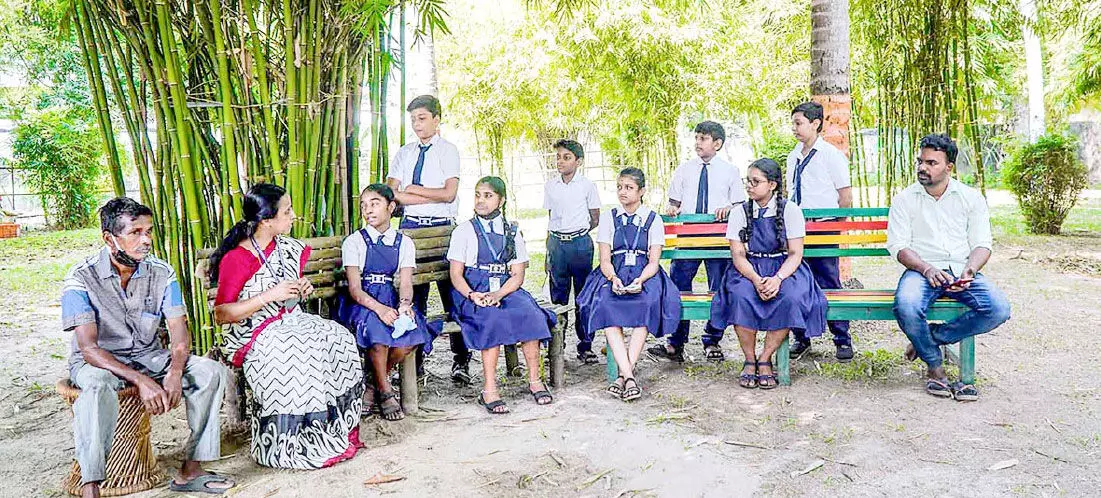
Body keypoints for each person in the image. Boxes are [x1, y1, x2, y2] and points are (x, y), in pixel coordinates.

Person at [62, 198, 233, 497]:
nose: (146, 240)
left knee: (210, 372)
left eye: (149, 231)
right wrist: (141, 381)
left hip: (148, 356)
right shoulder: (80, 278)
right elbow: (88, 348)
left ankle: (190, 471)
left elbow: (180, 330)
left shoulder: (162, 273)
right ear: (109, 238)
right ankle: (91, 487)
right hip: (100, 363)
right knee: (98, 386)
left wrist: (175, 371)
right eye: (136, 232)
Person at [211, 183, 362, 469]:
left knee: (337, 337)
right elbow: (222, 314)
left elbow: (288, 293)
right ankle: (288, 442)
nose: (294, 216)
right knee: (297, 350)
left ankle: (328, 432)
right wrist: (271, 295)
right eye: (287, 211)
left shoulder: (285, 248)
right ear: (266, 220)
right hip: (252, 333)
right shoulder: (237, 258)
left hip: (289, 321)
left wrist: (300, 288)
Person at [887, 134, 1011, 401]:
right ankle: (935, 366)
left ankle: (929, 338)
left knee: (999, 309)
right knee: (906, 305)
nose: (922, 167)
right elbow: (898, 246)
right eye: (920, 161)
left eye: (931, 163)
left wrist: (970, 270)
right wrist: (926, 268)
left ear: (949, 167)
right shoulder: (904, 199)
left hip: (960, 269)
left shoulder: (970, 198)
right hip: (921, 271)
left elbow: (982, 244)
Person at [709, 159, 828, 389]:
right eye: (748, 181)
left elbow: (795, 254)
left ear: (772, 184)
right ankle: (750, 359)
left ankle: (765, 358)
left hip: (783, 269)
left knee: (790, 297)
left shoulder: (790, 211)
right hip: (749, 269)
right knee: (740, 296)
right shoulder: (740, 213)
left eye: (756, 182)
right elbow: (738, 255)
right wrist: (755, 279)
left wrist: (777, 279)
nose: (750, 186)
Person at [447, 176, 557, 414]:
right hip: (472, 290)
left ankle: (535, 380)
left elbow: (517, 275)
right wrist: (473, 295)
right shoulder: (464, 231)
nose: (481, 201)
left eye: (488, 196)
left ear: (501, 200)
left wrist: (499, 293)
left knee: (531, 314)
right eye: (477, 195)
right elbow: (456, 275)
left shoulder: (512, 231)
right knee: (491, 318)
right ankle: (489, 389)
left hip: (505, 288)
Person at [386, 95, 471, 384]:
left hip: (443, 230)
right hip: (411, 228)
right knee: (413, 296)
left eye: (422, 118)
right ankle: (416, 362)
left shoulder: (448, 151)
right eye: (412, 119)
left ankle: (461, 362)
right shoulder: (405, 153)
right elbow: (391, 193)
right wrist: (419, 193)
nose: (416, 124)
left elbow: (449, 194)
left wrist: (414, 190)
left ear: (437, 119)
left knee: (453, 296)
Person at [578, 168, 681, 401]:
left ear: (641, 191)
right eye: (620, 187)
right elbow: (604, 259)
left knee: (646, 302)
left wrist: (640, 280)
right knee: (605, 303)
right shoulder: (608, 217)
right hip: (615, 270)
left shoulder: (652, 220)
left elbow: (654, 261)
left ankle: (623, 377)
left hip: (644, 272)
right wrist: (613, 278)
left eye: (629, 187)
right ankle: (629, 377)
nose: (622, 192)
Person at [335, 184, 437, 421]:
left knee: (408, 339)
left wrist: (404, 305)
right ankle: (387, 393)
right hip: (362, 303)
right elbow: (355, 289)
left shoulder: (404, 242)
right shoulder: (355, 242)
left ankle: (372, 384)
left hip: (390, 299)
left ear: (391, 207)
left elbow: (406, 282)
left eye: (375, 203)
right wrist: (379, 309)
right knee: (378, 339)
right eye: (364, 205)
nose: (368, 210)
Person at [649, 121, 745, 363]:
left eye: (703, 138)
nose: (698, 143)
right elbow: (675, 203)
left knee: (718, 288)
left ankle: (712, 340)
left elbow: (740, 205)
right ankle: (675, 343)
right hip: (689, 235)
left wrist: (729, 208)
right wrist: (671, 209)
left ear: (717, 143)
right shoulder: (684, 169)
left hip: (718, 235)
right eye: (697, 138)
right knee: (679, 286)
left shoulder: (730, 171)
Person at [785, 101, 855, 361]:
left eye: (799, 123)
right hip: (797, 228)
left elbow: (844, 196)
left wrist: (833, 224)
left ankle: (842, 338)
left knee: (828, 280)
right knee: (796, 280)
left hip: (824, 226)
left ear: (815, 124)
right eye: (793, 123)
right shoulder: (794, 156)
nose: (794, 128)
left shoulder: (830, 155)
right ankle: (801, 338)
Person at [543, 139, 601, 363]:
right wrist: (549, 248)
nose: (560, 161)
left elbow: (595, 216)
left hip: (580, 245)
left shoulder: (587, 186)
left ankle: (585, 345)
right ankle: (557, 346)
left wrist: (578, 232)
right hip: (557, 245)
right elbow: (551, 218)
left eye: (566, 157)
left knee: (583, 295)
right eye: (558, 157)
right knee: (558, 296)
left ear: (578, 161)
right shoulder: (551, 186)